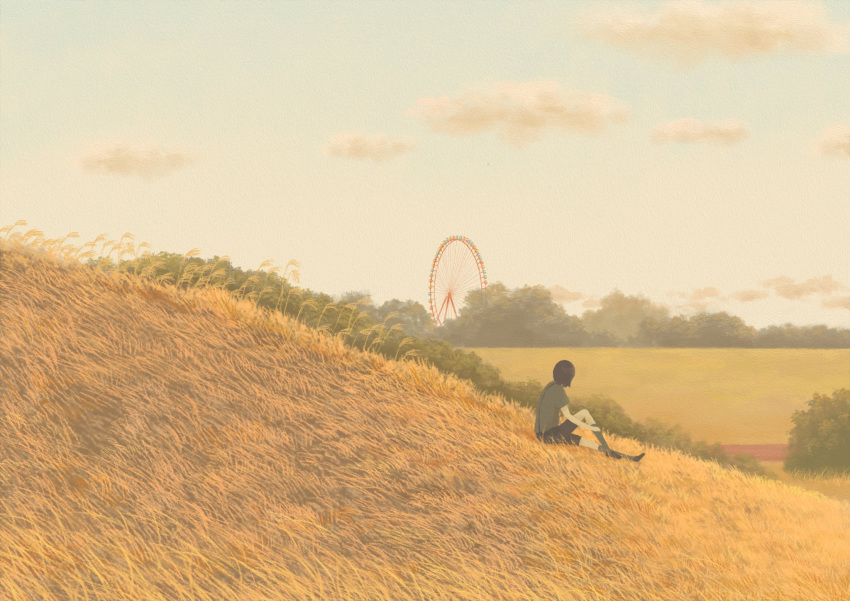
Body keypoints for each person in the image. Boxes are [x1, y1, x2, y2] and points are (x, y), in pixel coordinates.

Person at [534, 359, 644, 462]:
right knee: (584, 413)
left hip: (543, 434)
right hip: (549, 435)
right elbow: (568, 416)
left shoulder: (550, 385)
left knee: (582, 441)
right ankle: (607, 448)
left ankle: (616, 454)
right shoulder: (559, 391)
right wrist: (588, 427)